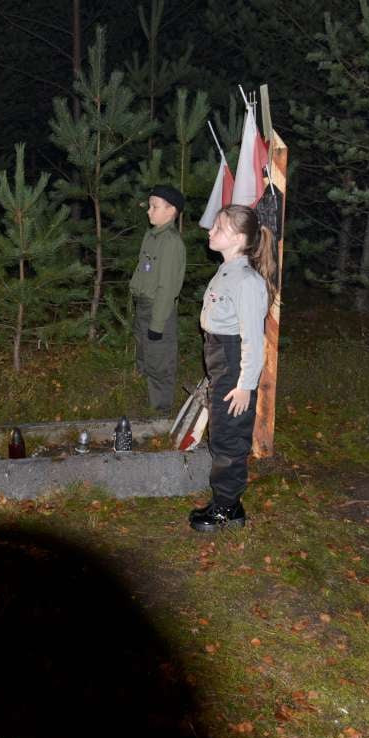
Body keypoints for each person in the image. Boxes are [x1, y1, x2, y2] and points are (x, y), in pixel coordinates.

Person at [188, 204, 277, 533]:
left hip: (233, 361)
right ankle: (227, 504)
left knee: (229, 436)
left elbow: (253, 340)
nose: (210, 232)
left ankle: (227, 508)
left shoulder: (247, 282)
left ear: (239, 238)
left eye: (219, 228)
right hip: (221, 357)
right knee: (222, 430)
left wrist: (244, 386)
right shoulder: (227, 271)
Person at [129, 185, 187, 412]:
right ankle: (144, 398)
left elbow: (167, 288)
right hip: (144, 305)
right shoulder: (151, 236)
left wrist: (157, 323)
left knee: (159, 359)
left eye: (154, 207)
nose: (149, 211)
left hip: (158, 309)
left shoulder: (170, 242)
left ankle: (161, 410)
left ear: (171, 211)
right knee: (145, 353)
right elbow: (143, 269)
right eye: (150, 206)